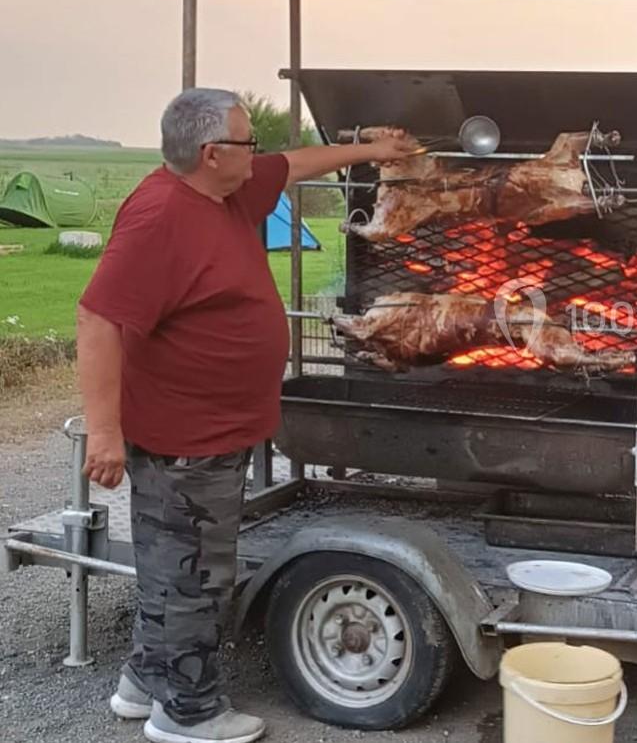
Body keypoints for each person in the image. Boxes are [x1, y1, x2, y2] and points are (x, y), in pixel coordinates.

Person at [77, 88, 416, 743]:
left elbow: (293, 164)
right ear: (211, 154)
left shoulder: (228, 191)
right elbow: (96, 319)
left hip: (213, 430)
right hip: (182, 437)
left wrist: (374, 149)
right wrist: (104, 433)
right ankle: (188, 713)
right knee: (198, 576)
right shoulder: (160, 218)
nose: (257, 151)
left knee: (172, 563)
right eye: (245, 141)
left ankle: (147, 681)